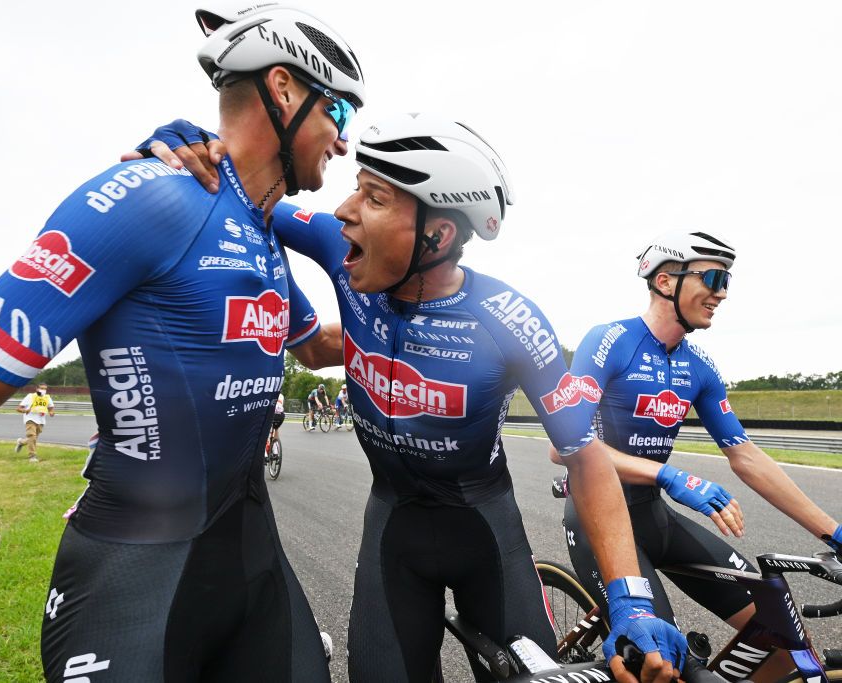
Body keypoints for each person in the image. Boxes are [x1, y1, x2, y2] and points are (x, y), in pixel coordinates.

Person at [0, 6, 364, 682]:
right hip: (133, 575)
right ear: (283, 89)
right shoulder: (149, 199)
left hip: (252, 562)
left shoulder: (260, 234)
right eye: (338, 114)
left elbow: (314, 348)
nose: (343, 141)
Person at [138, 113, 686, 683]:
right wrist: (195, 156)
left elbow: (585, 454)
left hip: (484, 532)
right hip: (393, 530)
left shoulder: (509, 321)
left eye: (373, 198)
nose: (345, 211)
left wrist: (631, 598)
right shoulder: (340, 247)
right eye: (356, 188)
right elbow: (250, 196)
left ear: (437, 235)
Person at [548, 230, 842, 681]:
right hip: (597, 516)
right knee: (663, 665)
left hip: (654, 516)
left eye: (727, 282)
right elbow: (561, 445)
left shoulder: (698, 364)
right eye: (711, 278)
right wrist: (668, 474)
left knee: (781, 645)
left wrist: (834, 533)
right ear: (666, 282)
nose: (721, 294)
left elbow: (744, 454)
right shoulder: (609, 340)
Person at [15, 382, 56, 462]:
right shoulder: (30, 396)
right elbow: (18, 408)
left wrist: (51, 412)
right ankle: (32, 456)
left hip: (41, 421)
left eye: (45, 389)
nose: (43, 390)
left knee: (33, 439)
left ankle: (21, 442)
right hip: (30, 419)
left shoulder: (47, 398)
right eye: (41, 388)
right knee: (32, 437)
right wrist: (25, 410)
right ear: (37, 389)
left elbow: (51, 408)